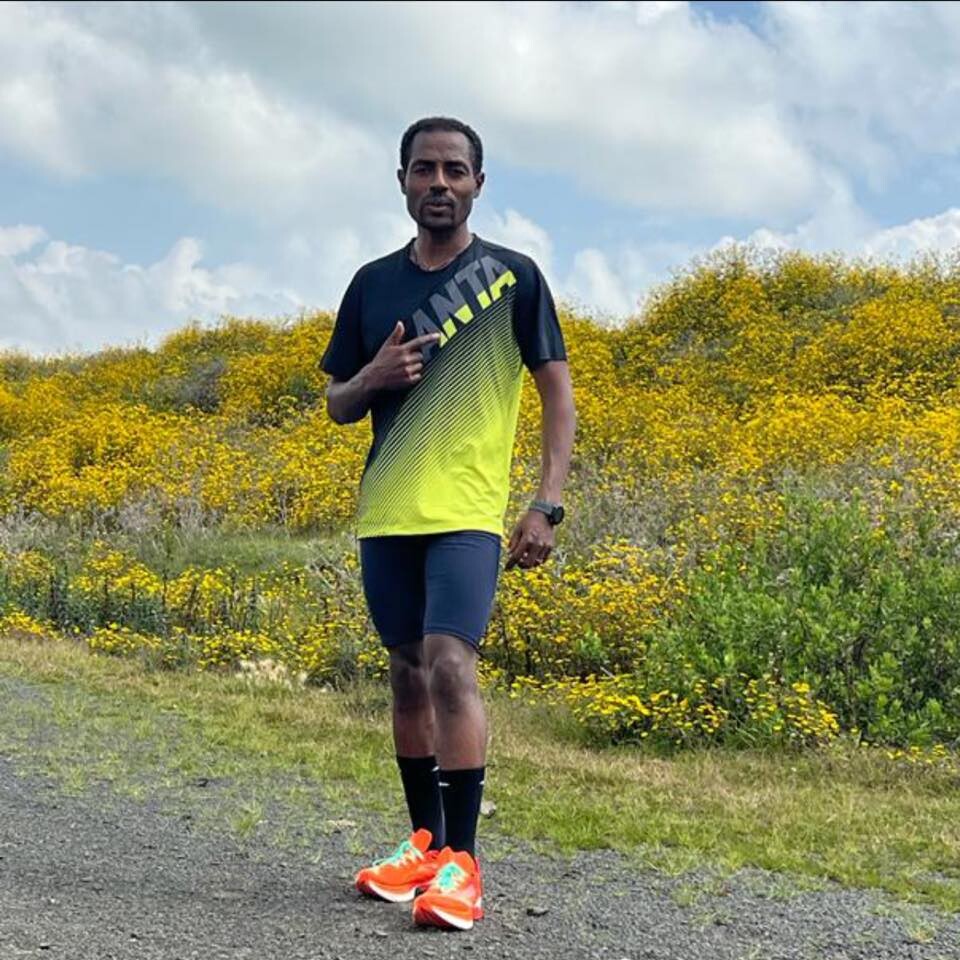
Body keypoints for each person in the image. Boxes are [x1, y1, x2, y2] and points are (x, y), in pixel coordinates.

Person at [319, 116, 576, 931]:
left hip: (467, 511)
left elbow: (558, 395)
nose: (439, 183)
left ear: (478, 184)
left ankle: (463, 864)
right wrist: (373, 375)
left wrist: (545, 501)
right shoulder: (370, 285)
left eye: (454, 170)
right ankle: (425, 844)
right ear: (401, 180)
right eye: (424, 168)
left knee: (449, 665)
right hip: (387, 511)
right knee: (405, 673)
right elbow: (336, 403)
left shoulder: (512, 278)